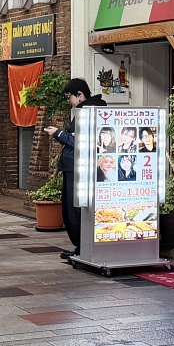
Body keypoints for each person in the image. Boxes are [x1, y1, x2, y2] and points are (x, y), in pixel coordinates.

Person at [42, 79, 106, 258]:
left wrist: (59, 134)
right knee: (79, 208)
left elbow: (80, 142)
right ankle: (82, 248)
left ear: (79, 94)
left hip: (77, 168)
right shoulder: (96, 109)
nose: (69, 101)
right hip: (84, 167)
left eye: (70, 97)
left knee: (74, 209)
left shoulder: (86, 112)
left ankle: (81, 248)